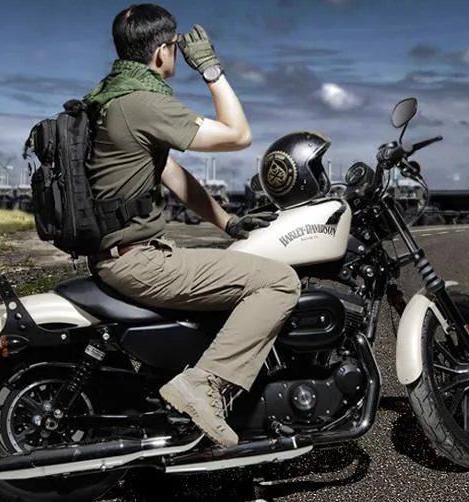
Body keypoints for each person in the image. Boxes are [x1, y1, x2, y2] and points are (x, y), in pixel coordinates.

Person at [82, 4, 302, 448]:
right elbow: (238, 135)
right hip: (140, 262)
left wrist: (227, 221)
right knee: (280, 282)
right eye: (175, 47)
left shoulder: (109, 98)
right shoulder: (142, 103)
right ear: (162, 52)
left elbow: (172, 174)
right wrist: (212, 70)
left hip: (122, 255)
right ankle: (205, 386)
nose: (178, 56)